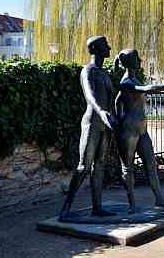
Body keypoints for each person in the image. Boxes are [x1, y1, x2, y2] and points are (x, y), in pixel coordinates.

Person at [114, 49, 164, 213]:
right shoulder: (126, 81)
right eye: (137, 58)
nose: (140, 60)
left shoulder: (133, 79)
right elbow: (148, 88)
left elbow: (118, 100)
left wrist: (119, 114)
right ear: (130, 62)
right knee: (128, 168)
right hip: (129, 131)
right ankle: (132, 204)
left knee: (151, 164)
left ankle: (159, 199)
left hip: (141, 130)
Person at [59, 36, 116, 221]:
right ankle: (66, 208)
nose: (109, 47)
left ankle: (97, 207)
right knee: (84, 166)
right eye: (105, 45)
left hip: (105, 124)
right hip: (93, 120)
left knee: (99, 166)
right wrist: (101, 112)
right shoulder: (88, 70)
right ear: (95, 48)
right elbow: (90, 96)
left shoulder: (104, 73)